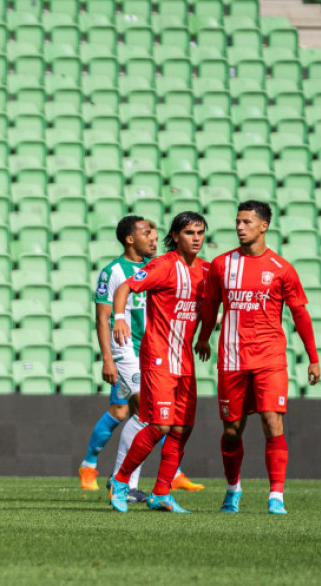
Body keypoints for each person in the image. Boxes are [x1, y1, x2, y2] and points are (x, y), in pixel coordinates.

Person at [195, 201, 320, 515]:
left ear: (264, 226)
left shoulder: (281, 268)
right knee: (232, 430)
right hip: (232, 358)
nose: (239, 227)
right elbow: (210, 305)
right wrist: (204, 336)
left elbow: (300, 314)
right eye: (237, 221)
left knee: (271, 421)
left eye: (247, 222)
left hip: (270, 357)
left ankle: (275, 495)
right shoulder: (222, 265)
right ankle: (233, 488)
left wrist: (313, 357)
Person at [83, 216, 202, 499]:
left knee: (143, 416)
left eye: (155, 233)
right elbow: (103, 319)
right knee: (147, 415)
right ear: (130, 239)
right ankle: (118, 478)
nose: (153, 238)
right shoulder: (113, 271)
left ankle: (124, 481)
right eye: (146, 233)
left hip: (153, 350)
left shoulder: (159, 267)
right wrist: (108, 359)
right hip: (125, 350)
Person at [107, 212, 212, 514]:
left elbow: (208, 308)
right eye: (190, 232)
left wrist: (204, 338)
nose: (196, 238)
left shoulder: (206, 270)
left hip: (185, 360)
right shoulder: (163, 265)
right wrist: (120, 317)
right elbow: (124, 288)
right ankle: (120, 480)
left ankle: (161, 493)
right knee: (161, 424)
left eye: (201, 232)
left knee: (182, 428)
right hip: (158, 356)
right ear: (176, 236)